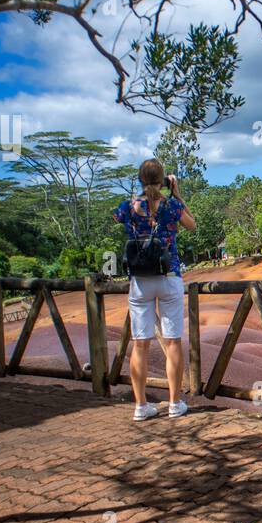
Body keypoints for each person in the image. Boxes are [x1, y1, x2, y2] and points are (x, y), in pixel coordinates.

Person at [112, 158, 197, 421]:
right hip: (168, 275)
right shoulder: (171, 206)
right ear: (164, 180)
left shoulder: (128, 206)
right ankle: (174, 403)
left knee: (140, 345)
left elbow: (117, 217)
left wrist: (139, 196)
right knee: (172, 342)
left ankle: (141, 406)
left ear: (139, 180)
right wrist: (177, 193)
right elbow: (191, 225)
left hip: (139, 280)